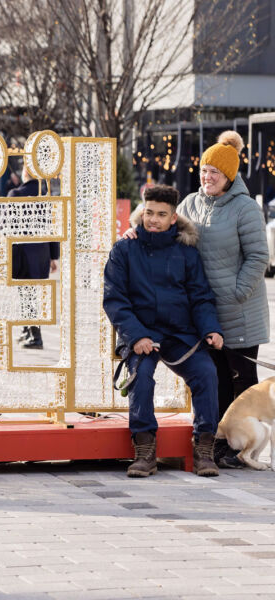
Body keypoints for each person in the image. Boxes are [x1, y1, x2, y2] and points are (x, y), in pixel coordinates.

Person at [123, 131, 270, 468]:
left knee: (242, 380)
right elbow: (163, 226)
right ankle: (217, 441)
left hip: (239, 310)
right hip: (203, 311)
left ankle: (240, 446)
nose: (207, 178)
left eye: (214, 173)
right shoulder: (191, 202)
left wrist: (236, 292)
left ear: (228, 176)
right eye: (204, 171)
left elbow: (258, 255)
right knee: (213, 376)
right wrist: (134, 228)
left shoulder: (244, 208)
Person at [103, 185, 224, 478]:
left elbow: (200, 297)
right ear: (142, 212)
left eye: (161, 214)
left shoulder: (186, 252)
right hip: (142, 334)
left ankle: (204, 449)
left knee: (207, 373)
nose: (153, 220)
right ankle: (145, 450)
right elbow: (114, 299)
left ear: (173, 218)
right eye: (149, 213)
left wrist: (210, 329)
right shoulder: (124, 249)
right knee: (141, 377)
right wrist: (136, 336)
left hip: (181, 334)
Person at [7, 164, 59, 349]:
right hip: (41, 254)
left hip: (21, 253)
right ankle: (27, 331)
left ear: (26, 172)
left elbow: (8, 226)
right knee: (32, 295)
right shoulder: (46, 197)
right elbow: (53, 227)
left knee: (26, 295)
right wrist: (54, 256)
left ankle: (35, 336)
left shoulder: (15, 194)